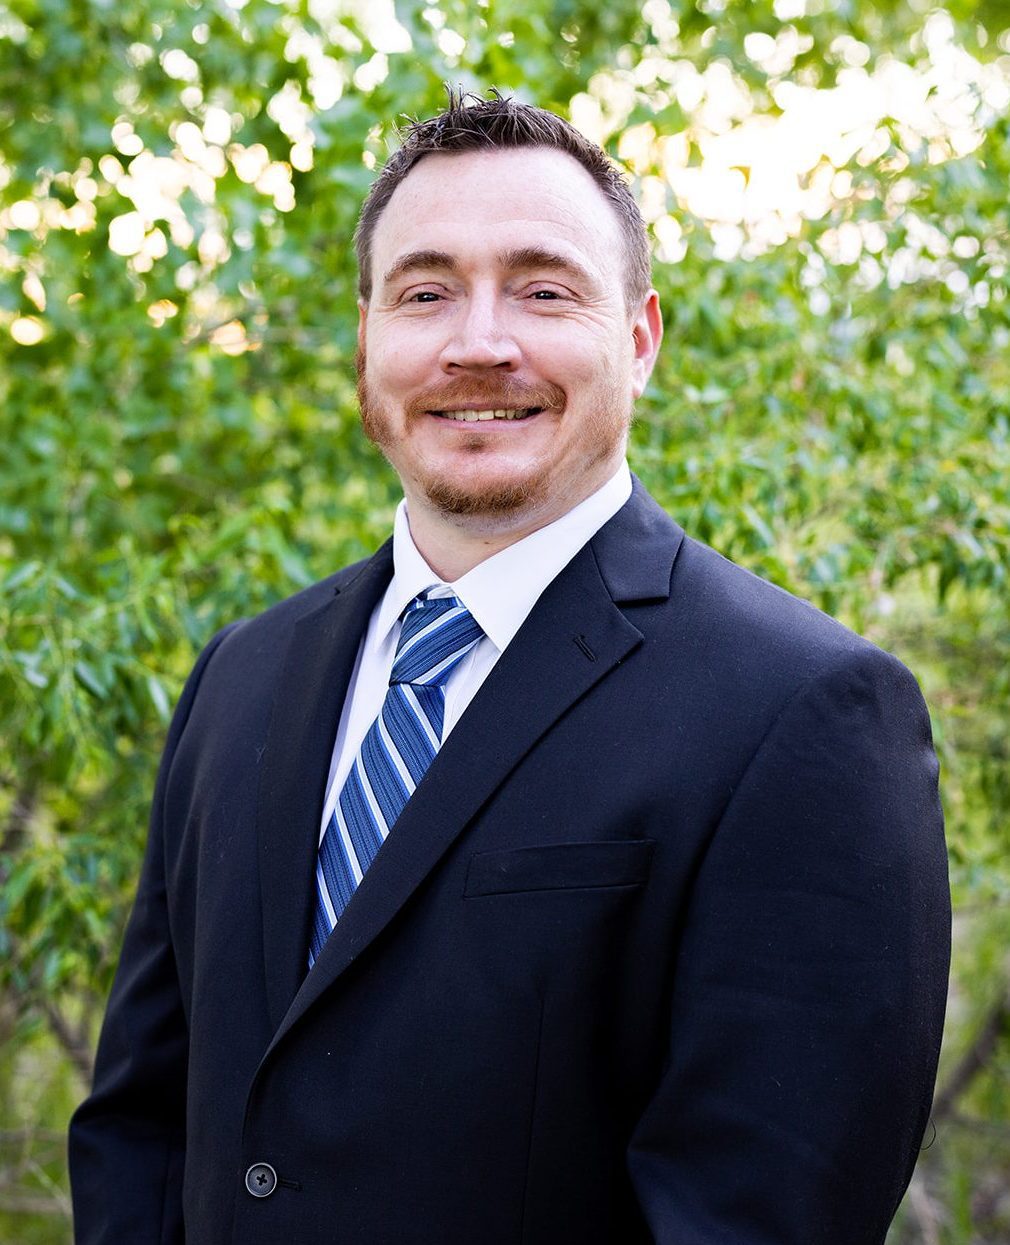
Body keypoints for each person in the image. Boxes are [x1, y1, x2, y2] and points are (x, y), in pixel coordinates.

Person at [69, 89, 950, 1245]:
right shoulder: (240, 678)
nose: (477, 342)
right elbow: (141, 1124)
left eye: (542, 290)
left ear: (638, 340)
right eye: (424, 292)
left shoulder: (804, 710)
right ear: (366, 341)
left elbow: (757, 1212)